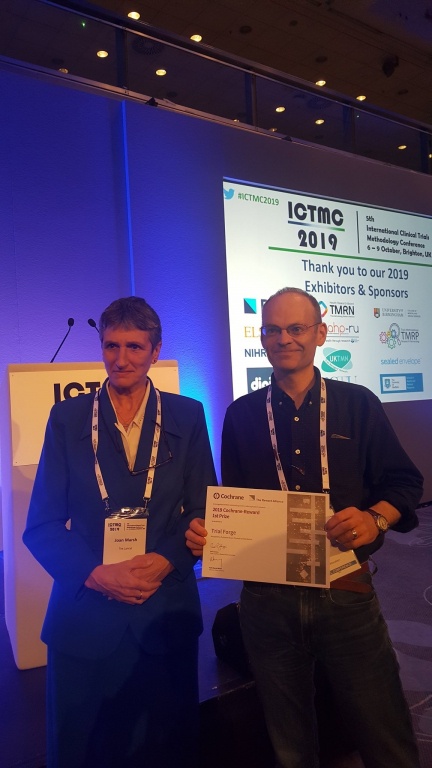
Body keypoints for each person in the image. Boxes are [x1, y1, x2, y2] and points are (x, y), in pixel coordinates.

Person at [186, 287, 423, 768]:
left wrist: (375, 517)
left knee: (384, 732)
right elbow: (234, 503)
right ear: (262, 338)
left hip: (345, 591)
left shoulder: (357, 404)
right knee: (290, 743)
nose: (284, 339)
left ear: (320, 333)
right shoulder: (241, 414)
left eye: (296, 328)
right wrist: (210, 533)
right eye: (273, 330)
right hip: (267, 601)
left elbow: (405, 482)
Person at [23, 296, 216, 768]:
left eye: (135, 346)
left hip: (163, 611)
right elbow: (42, 525)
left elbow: (203, 510)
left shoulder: (188, 415)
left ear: (156, 350)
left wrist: (168, 559)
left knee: (166, 750)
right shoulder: (68, 418)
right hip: (85, 615)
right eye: (112, 345)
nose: (121, 359)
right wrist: (95, 574)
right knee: (83, 751)